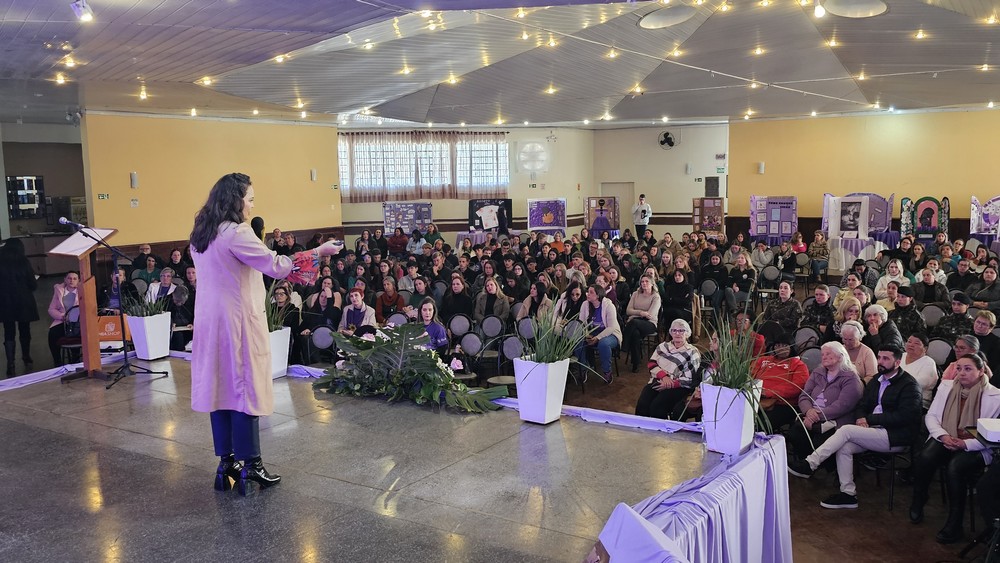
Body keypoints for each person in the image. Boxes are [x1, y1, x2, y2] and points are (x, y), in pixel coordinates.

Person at [188, 172, 343, 495]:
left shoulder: (202, 233)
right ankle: (251, 466)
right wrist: (319, 251)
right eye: (250, 200)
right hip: (237, 322)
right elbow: (277, 265)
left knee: (220, 391)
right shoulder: (236, 233)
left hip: (209, 321)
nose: (252, 206)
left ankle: (226, 464)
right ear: (236, 201)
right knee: (245, 391)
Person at [788, 345, 922, 510]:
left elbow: (905, 417)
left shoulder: (909, 385)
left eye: (886, 359)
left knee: (846, 430)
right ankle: (848, 494)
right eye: (879, 357)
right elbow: (862, 405)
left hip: (895, 435)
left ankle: (810, 464)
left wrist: (869, 419)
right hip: (872, 430)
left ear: (898, 362)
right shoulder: (877, 380)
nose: (880, 362)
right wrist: (860, 417)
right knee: (844, 447)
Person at [910, 354, 1000, 543]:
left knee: (955, 467)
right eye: (959, 368)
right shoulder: (946, 387)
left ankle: (955, 523)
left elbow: (992, 432)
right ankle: (919, 498)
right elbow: (931, 416)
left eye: (968, 369)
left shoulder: (995, 396)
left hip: (977, 444)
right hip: (946, 434)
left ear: (981, 371)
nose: (962, 373)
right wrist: (943, 436)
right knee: (925, 457)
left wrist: (965, 444)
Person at [786, 341, 864, 460]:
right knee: (795, 434)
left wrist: (816, 416)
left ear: (840, 356)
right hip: (811, 416)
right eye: (822, 354)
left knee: (820, 441)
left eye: (828, 354)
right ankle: (805, 464)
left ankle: (816, 466)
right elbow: (804, 396)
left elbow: (843, 405)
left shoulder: (850, 377)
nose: (824, 357)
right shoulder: (817, 372)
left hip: (835, 421)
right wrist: (808, 411)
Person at [635, 319, 700, 419]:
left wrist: (670, 383)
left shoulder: (692, 352)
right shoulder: (663, 346)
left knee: (657, 407)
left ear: (687, 333)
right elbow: (652, 363)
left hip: (679, 386)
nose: (677, 333)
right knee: (642, 405)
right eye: (674, 330)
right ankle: (641, 428)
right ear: (670, 332)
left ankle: (660, 429)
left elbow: (690, 379)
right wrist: (664, 377)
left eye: (681, 330)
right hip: (658, 380)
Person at [752, 333, 810, 430]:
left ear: (791, 347)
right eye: (778, 345)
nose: (780, 348)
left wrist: (768, 392)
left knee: (760, 425)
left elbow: (796, 387)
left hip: (782, 404)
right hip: (756, 398)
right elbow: (750, 375)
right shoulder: (763, 360)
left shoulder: (798, 365)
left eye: (784, 345)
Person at [0, 238, 39, 376]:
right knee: (25, 330)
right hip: (23, 300)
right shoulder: (23, 261)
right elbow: (33, 284)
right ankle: (26, 357)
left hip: (5, 301)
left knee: (8, 332)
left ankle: (10, 363)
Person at [576, 284, 622, 384]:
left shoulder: (609, 306)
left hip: (611, 333)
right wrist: (586, 335)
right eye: (588, 291)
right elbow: (581, 323)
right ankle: (583, 368)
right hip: (592, 333)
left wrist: (598, 337)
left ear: (598, 295)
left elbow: (611, 327)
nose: (587, 294)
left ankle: (607, 371)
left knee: (603, 344)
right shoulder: (585, 304)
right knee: (577, 341)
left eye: (591, 292)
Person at [622, 275, 661, 372]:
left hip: (649, 324)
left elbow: (650, 315)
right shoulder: (635, 294)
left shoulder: (656, 296)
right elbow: (628, 310)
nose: (644, 283)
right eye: (642, 281)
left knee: (633, 322)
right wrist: (641, 313)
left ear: (652, 283)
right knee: (635, 334)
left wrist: (636, 314)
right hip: (635, 322)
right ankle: (636, 363)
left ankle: (624, 345)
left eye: (647, 281)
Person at [47, 271, 80, 367]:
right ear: (65, 280)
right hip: (62, 321)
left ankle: (76, 360)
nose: (71, 280)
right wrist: (62, 316)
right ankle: (57, 362)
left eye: (74, 279)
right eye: (69, 278)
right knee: (52, 334)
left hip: (77, 322)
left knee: (76, 333)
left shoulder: (82, 291)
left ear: (78, 281)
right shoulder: (59, 291)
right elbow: (51, 309)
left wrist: (74, 317)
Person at [901, 333, 940, 410]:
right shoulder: (900, 356)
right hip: (894, 397)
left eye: (916, 343)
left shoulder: (929, 362)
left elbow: (918, 384)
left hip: (917, 402)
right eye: (909, 342)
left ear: (925, 349)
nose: (911, 345)